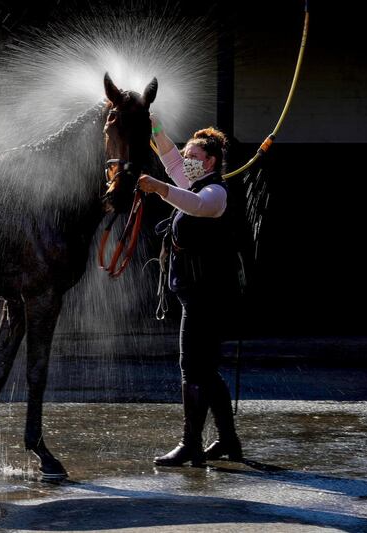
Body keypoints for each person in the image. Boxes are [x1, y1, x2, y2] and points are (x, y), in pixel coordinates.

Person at [137, 115, 243, 466]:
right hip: (194, 293)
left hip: (205, 297)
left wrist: (160, 188)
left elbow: (196, 206)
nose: (187, 160)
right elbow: (169, 159)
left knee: (191, 369)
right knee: (206, 369)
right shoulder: (196, 184)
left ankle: (190, 444)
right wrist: (153, 126)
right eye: (187, 154)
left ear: (210, 161)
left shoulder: (215, 192)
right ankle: (227, 441)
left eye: (193, 156)